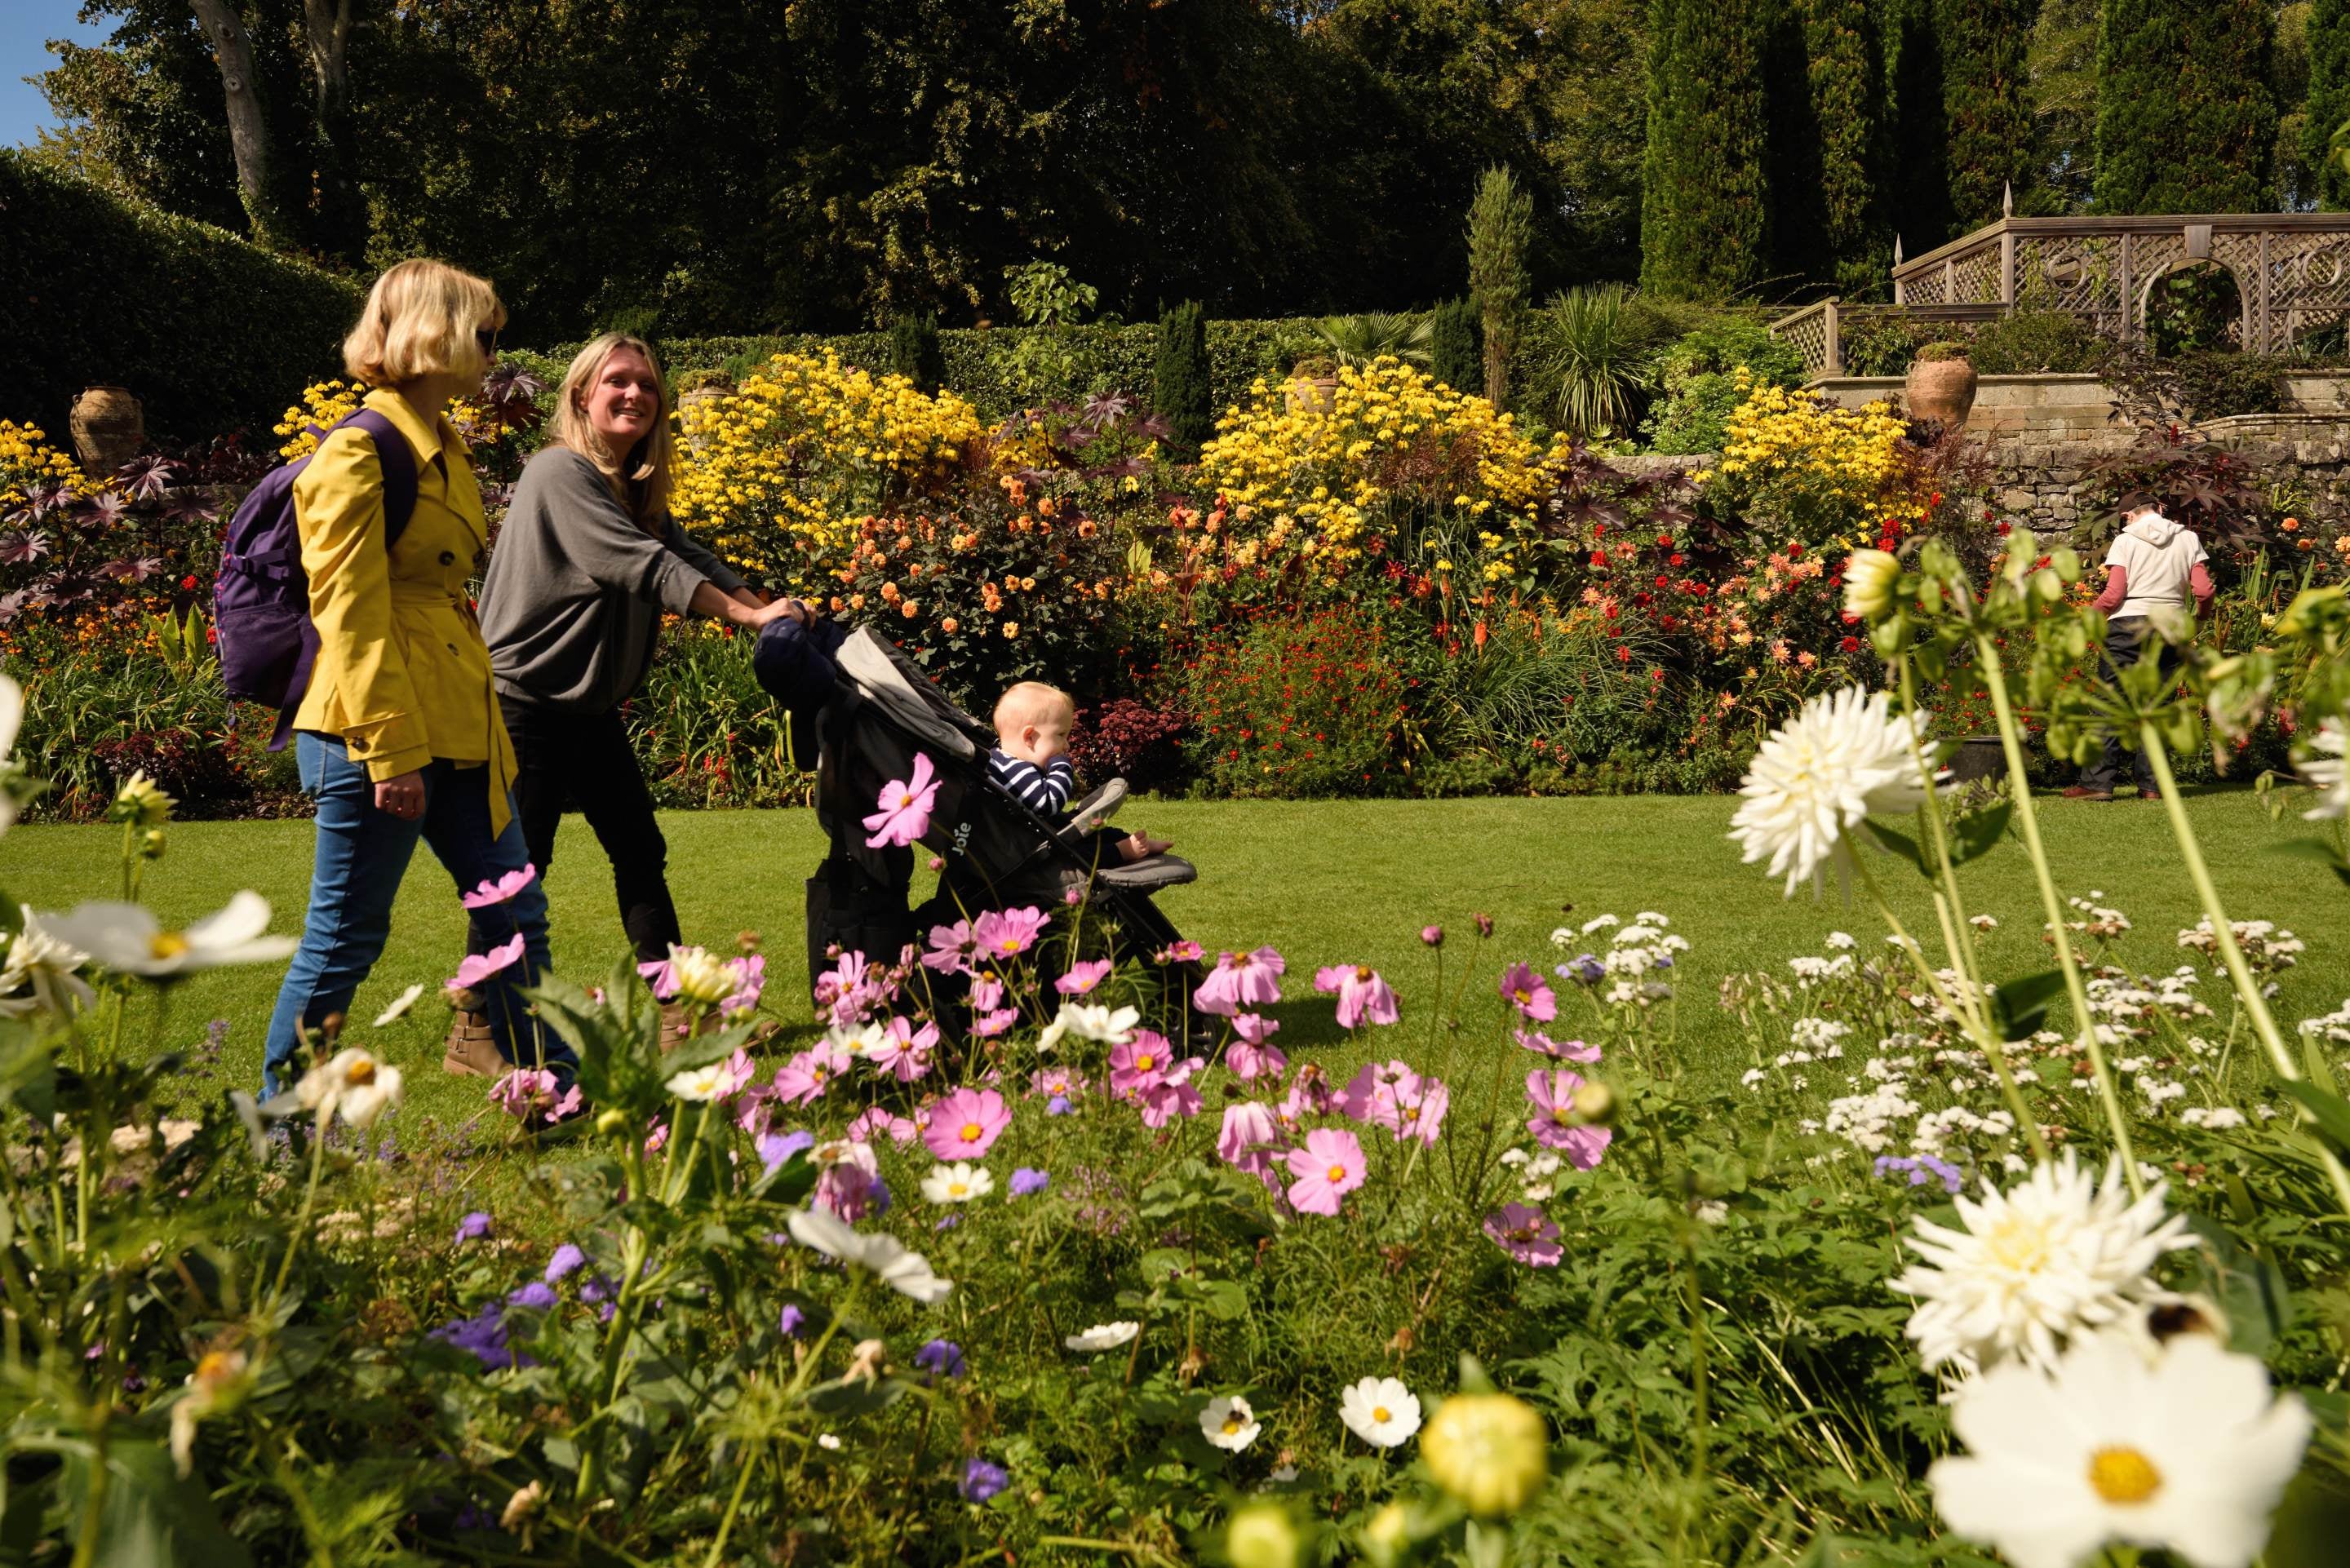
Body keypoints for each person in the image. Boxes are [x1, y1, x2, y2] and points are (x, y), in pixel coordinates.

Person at [264, 259, 570, 1094]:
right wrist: (391, 748)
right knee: (347, 936)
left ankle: (549, 1085)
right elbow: (350, 614)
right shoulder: (362, 450)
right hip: (376, 731)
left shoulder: (445, 448)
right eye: (484, 328)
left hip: (458, 720)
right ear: (435, 330)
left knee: (514, 911)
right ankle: (283, 1126)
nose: (493, 346)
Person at [451, 333, 805, 1056]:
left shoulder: (625, 487)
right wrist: (742, 615)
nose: (635, 393)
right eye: (618, 380)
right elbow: (637, 564)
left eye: (647, 383)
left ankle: (679, 1014)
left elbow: (682, 554)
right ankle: (476, 1025)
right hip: (526, 702)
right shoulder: (560, 472)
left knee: (639, 849)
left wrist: (764, 607)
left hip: (585, 707)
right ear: (583, 394)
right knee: (517, 870)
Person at [2062, 493, 2215, 803]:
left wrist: (2088, 619)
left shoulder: (2125, 541)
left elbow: (2114, 592)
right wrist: (2198, 619)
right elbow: (2203, 590)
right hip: (2171, 624)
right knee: (2159, 705)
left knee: (2110, 702)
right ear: (2159, 509)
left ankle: (2097, 784)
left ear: (2128, 516)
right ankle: (2153, 786)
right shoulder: (2188, 539)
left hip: (2127, 625)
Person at [990, 681, 1171, 862]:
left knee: (1075, 825)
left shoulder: (1000, 762)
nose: (1066, 745)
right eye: (1060, 735)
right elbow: (1049, 803)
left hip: (1041, 829)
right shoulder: (1014, 771)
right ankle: (1122, 851)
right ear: (1029, 737)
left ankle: (1128, 840)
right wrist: (1062, 765)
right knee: (1076, 850)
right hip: (1034, 849)